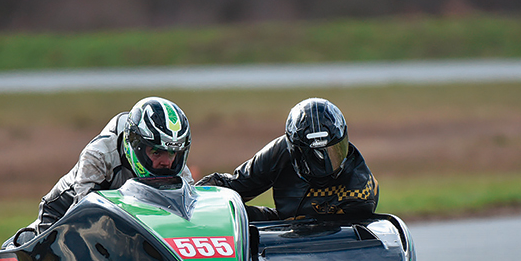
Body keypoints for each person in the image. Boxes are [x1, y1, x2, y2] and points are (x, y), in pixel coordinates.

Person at [22, 96, 193, 239]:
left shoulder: (177, 169)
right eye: (156, 152)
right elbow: (83, 217)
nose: (166, 162)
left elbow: (190, 210)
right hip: (61, 215)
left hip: (123, 219)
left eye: (172, 153)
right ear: (135, 145)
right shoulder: (98, 155)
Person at [197, 97, 377, 221]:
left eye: (333, 151)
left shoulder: (360, 191)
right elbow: (236, 185)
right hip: (287, 226)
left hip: (329, 239)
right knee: (230, 213)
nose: (325, 164)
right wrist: (191, 198)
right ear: (294, 151)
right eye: (313, 156)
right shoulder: (280, 152)